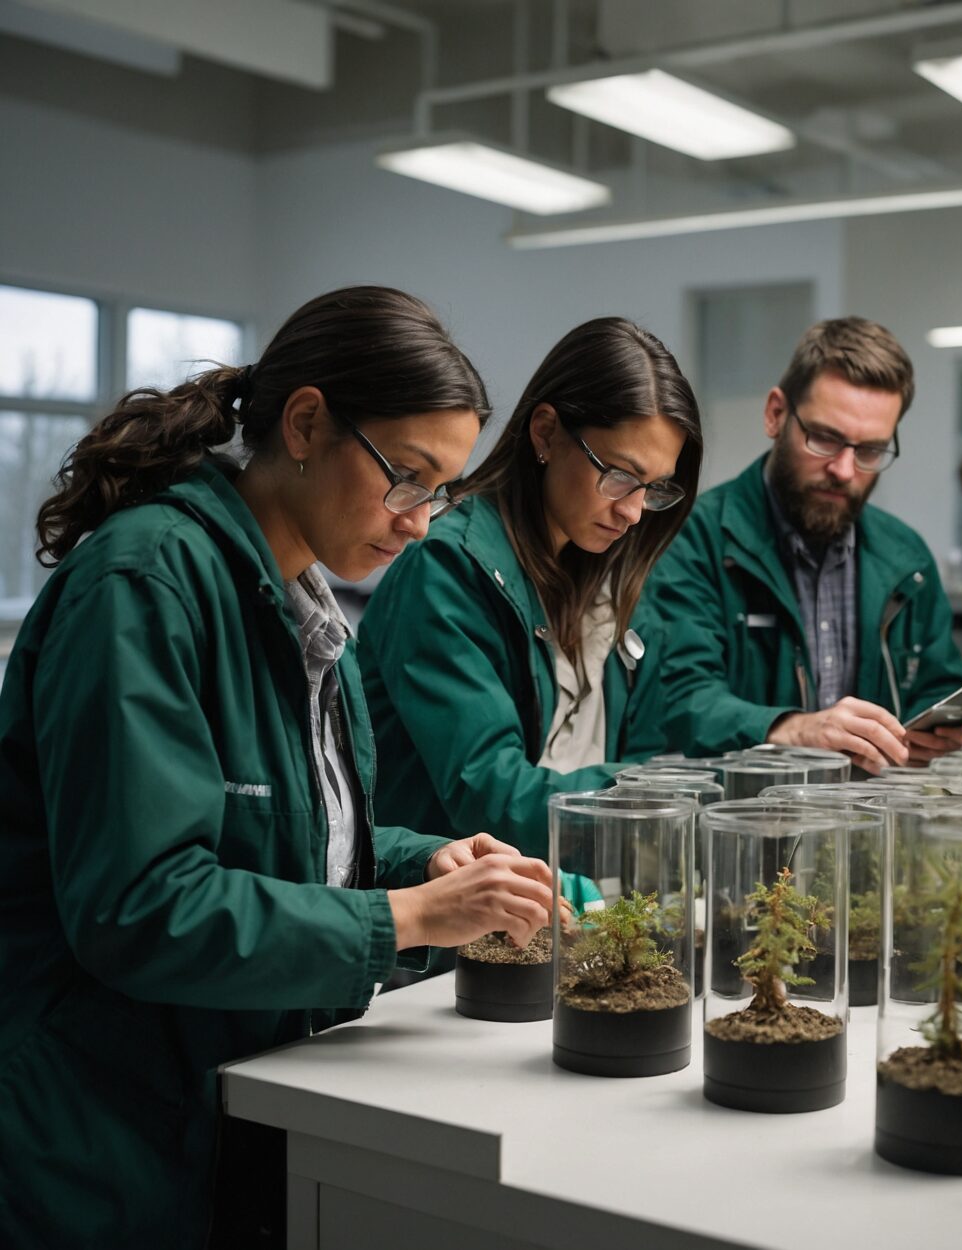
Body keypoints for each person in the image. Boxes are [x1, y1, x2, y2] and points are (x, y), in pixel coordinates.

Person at [0, 286, 555, 1249]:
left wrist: (418, 863)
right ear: (304, 425)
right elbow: (143, 906)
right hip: (96, 1139)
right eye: (407, 478)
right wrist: (404, 919)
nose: (420, 522)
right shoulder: (147, 584)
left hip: (211, 1108)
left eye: (441, 491)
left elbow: (279, 838)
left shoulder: (298, 604)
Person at [357, 317, 702, 866]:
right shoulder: (447, 569)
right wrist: (665, 796)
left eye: (655, 488)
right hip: (443, 903)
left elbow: (642, 748)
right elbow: (491, 793)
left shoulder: (619, 574)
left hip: (561, 892)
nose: (634, 512)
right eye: (619, 476)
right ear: (545, 433)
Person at [651, 316, 962, 772]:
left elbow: (938, 682)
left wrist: (935, 727)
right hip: (740, 810)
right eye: (824, 438)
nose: (844, 470)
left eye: (870, 451)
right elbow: (681, 698)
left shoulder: (906, 557)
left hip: (869, 809)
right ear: (775, 415)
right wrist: (795, 730)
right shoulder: (693, 539)